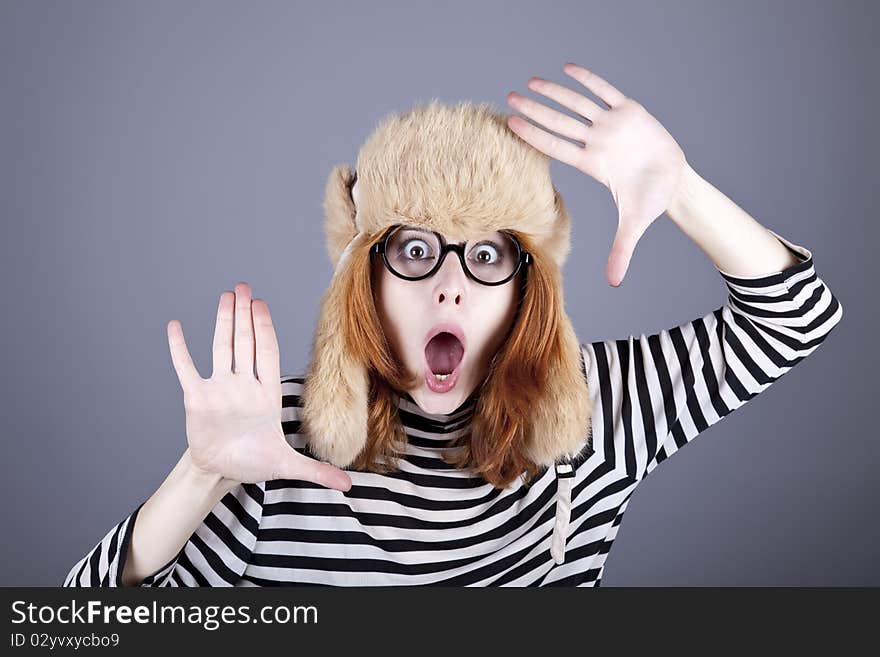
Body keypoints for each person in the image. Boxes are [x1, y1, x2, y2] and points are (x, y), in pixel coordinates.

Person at [64, 64, 843, 587]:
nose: (450, 287)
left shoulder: (594, 416)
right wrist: (200, 476)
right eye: (413, 249)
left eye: (488, 254)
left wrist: (682, 189)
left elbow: (796, 319)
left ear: (526, 288)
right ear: (363, 276)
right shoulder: (272, 440)